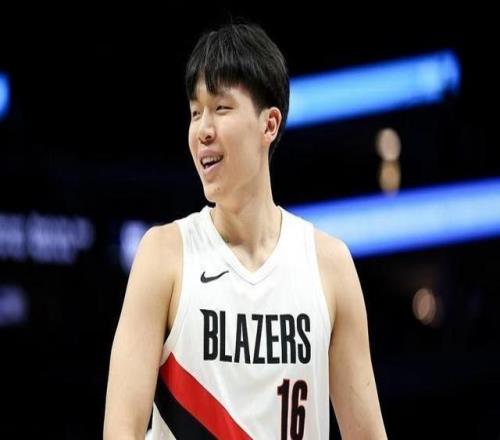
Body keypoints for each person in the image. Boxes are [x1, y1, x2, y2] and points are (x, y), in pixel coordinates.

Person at [104, 21, 387, 439]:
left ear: (269, 125)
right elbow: (120, 430)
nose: (203, 130)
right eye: (195, 112)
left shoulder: (329, 265)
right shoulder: (164, 255)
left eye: (221, 108)